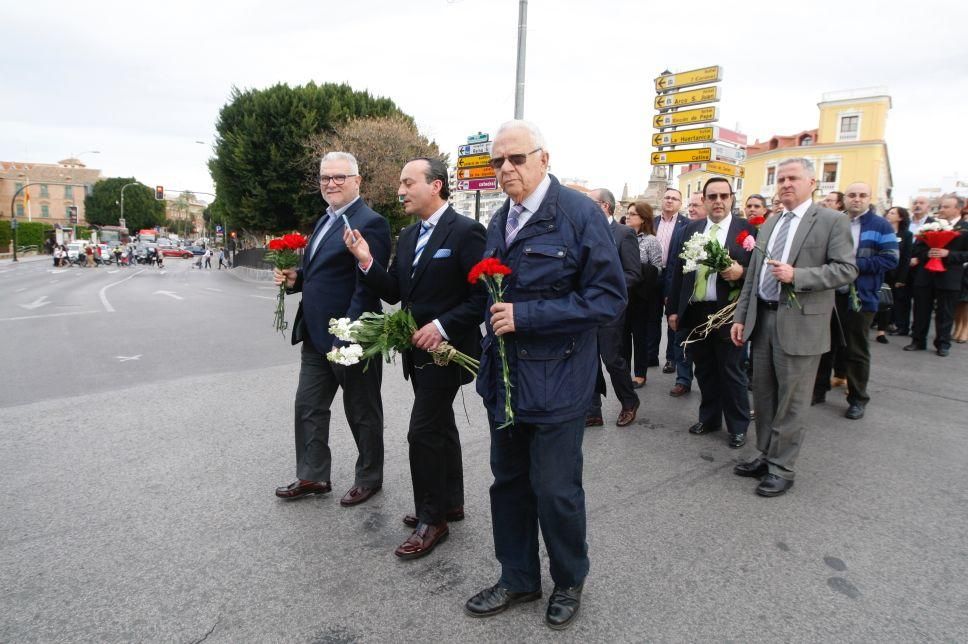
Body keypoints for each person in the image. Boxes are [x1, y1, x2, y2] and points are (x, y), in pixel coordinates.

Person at [464, 120, 626, 630]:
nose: (506, 169)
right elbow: (488, 293)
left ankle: (569, 579)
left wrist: (528, 316)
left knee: (555, 489)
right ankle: (518, 577)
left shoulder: (578, 215)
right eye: (498, 162)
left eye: (517, 159)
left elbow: (608, 298)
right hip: (506, 381)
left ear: (543, 159)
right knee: (508, 484)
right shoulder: (500, 220)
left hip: (558, 382)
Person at [344, 157, 486, 560]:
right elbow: (394, 291)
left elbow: (480, 299)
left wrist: (441, 326)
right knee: (440, 424)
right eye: (400, 184)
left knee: (421, 432)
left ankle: (432, 519)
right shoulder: (407, 237)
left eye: (408, 183)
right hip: (415, 352)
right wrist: (365, 258)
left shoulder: (467, 232)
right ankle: (450, 503)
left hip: (448, 352)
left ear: (436, 185)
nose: (401, 191)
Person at [730, 158, 857, 497]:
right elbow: (754, 276)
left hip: (802, 323)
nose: (785, 183)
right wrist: (741, 316)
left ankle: (782, 468)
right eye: (781, 178)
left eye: (793, 178)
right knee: (765, 394)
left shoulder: (831, 221)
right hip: (763, 320)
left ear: (812, 183)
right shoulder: (771, 222)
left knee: (792, 401)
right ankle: (765, 454)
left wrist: (798, 276)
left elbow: (845, 270)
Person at [273, 151, 391, 506]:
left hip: (350, 337)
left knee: (362, 410)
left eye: (339, 177)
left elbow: (368, 282)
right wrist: (296, 278)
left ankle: (369, 478)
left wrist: (350, 333)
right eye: (325, 178)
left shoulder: (371, 222)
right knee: (308, 405)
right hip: (314, 334)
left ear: (357, 181)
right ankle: (312, 476)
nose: (331, 184)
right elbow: (320, 272)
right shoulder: (325, 219)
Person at [668, 177, 756, 448]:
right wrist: (673, 309)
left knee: (731, 371)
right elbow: (677, 271)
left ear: (731, 199)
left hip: (728, 312)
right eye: (712, 196)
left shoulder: (747, 231)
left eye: (723, 196)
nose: (718, 201)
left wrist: (741, 272)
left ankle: (738, 425)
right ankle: (709, 418)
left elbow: (758, 272)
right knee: (704, 369)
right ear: (704, 200)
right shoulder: (690, 229)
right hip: (696, 311)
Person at [824, 183, 898, 419]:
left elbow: (890, 259)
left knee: (856, 349)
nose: (856, 199)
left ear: (869, 198)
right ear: (845, 199)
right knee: (825, 345)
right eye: (852, 195)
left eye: (862, 195)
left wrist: (853, 266)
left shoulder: (880, 225)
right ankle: (817, 390)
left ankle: (857, 398)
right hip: (830, 293)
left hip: (861, 296)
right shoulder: (835, 222)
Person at [585, 188, 641, 428]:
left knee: (611, 358)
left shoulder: (624, 233)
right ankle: (593, 411)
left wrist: (605, 289)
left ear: (604, 206)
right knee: (588, 359)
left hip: (610, 307)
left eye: (591, 204)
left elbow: (633, 273)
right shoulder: (584, 232)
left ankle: (629, 402)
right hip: (585, 307)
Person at [905, 194, 968, 357]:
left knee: (945, 312)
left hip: (949, 276)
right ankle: (917, 340)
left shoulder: (965, 228)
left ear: (958, 209)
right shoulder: (931, 226)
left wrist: (948, 254)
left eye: (946, 207)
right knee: (920, 309)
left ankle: (943, 343)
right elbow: (917, 249)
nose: (941, 210)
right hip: (926, 274)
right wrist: (929, 253)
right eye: (941, 206)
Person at [663, 196, 705, 397]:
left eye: (696, 205)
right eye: (690, 205)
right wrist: (671, 303)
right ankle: (683, 379)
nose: (691, 209)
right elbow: (673, 266)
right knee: (681, 339)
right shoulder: (683, 232)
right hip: (684, 298)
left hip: (708, 300)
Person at [625, 201, 663, 388]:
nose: (628, 216)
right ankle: (623, 372)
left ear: (643, 218)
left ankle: (640, 374)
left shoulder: (650, 241)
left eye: (633, 214)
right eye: (628, 213)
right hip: (623, 295)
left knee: (639, 337)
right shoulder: (622, 236)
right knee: (622, 337)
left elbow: (657, 269)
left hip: (641, 297)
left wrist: (634, 268)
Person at [653, 188, 688, 374]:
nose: (669, 201)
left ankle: (670, 358)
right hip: (653, 275)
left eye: (674, 199)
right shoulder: (652, 222)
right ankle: (651, 355)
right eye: (667, 197)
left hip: (673, 275)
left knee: (672, 317)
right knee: (651, 317)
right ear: (662, 200)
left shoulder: (686, 224)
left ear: (680, 204)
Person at [876, 207, 913, 342]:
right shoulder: (880, 231)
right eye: (888, 212)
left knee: (886, 301)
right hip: (878, 270)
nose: (888, 214)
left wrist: (901, 278)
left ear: (900, 217)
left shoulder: (906, 235)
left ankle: (881, 331)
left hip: (894, 274)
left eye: (892, 213)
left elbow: (906, 258)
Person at [954, 206, 968, 343]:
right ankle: (957, 327)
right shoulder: (963, 226)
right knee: (959, 300)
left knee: (966, 301)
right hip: (962, 267)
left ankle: (965, 329)